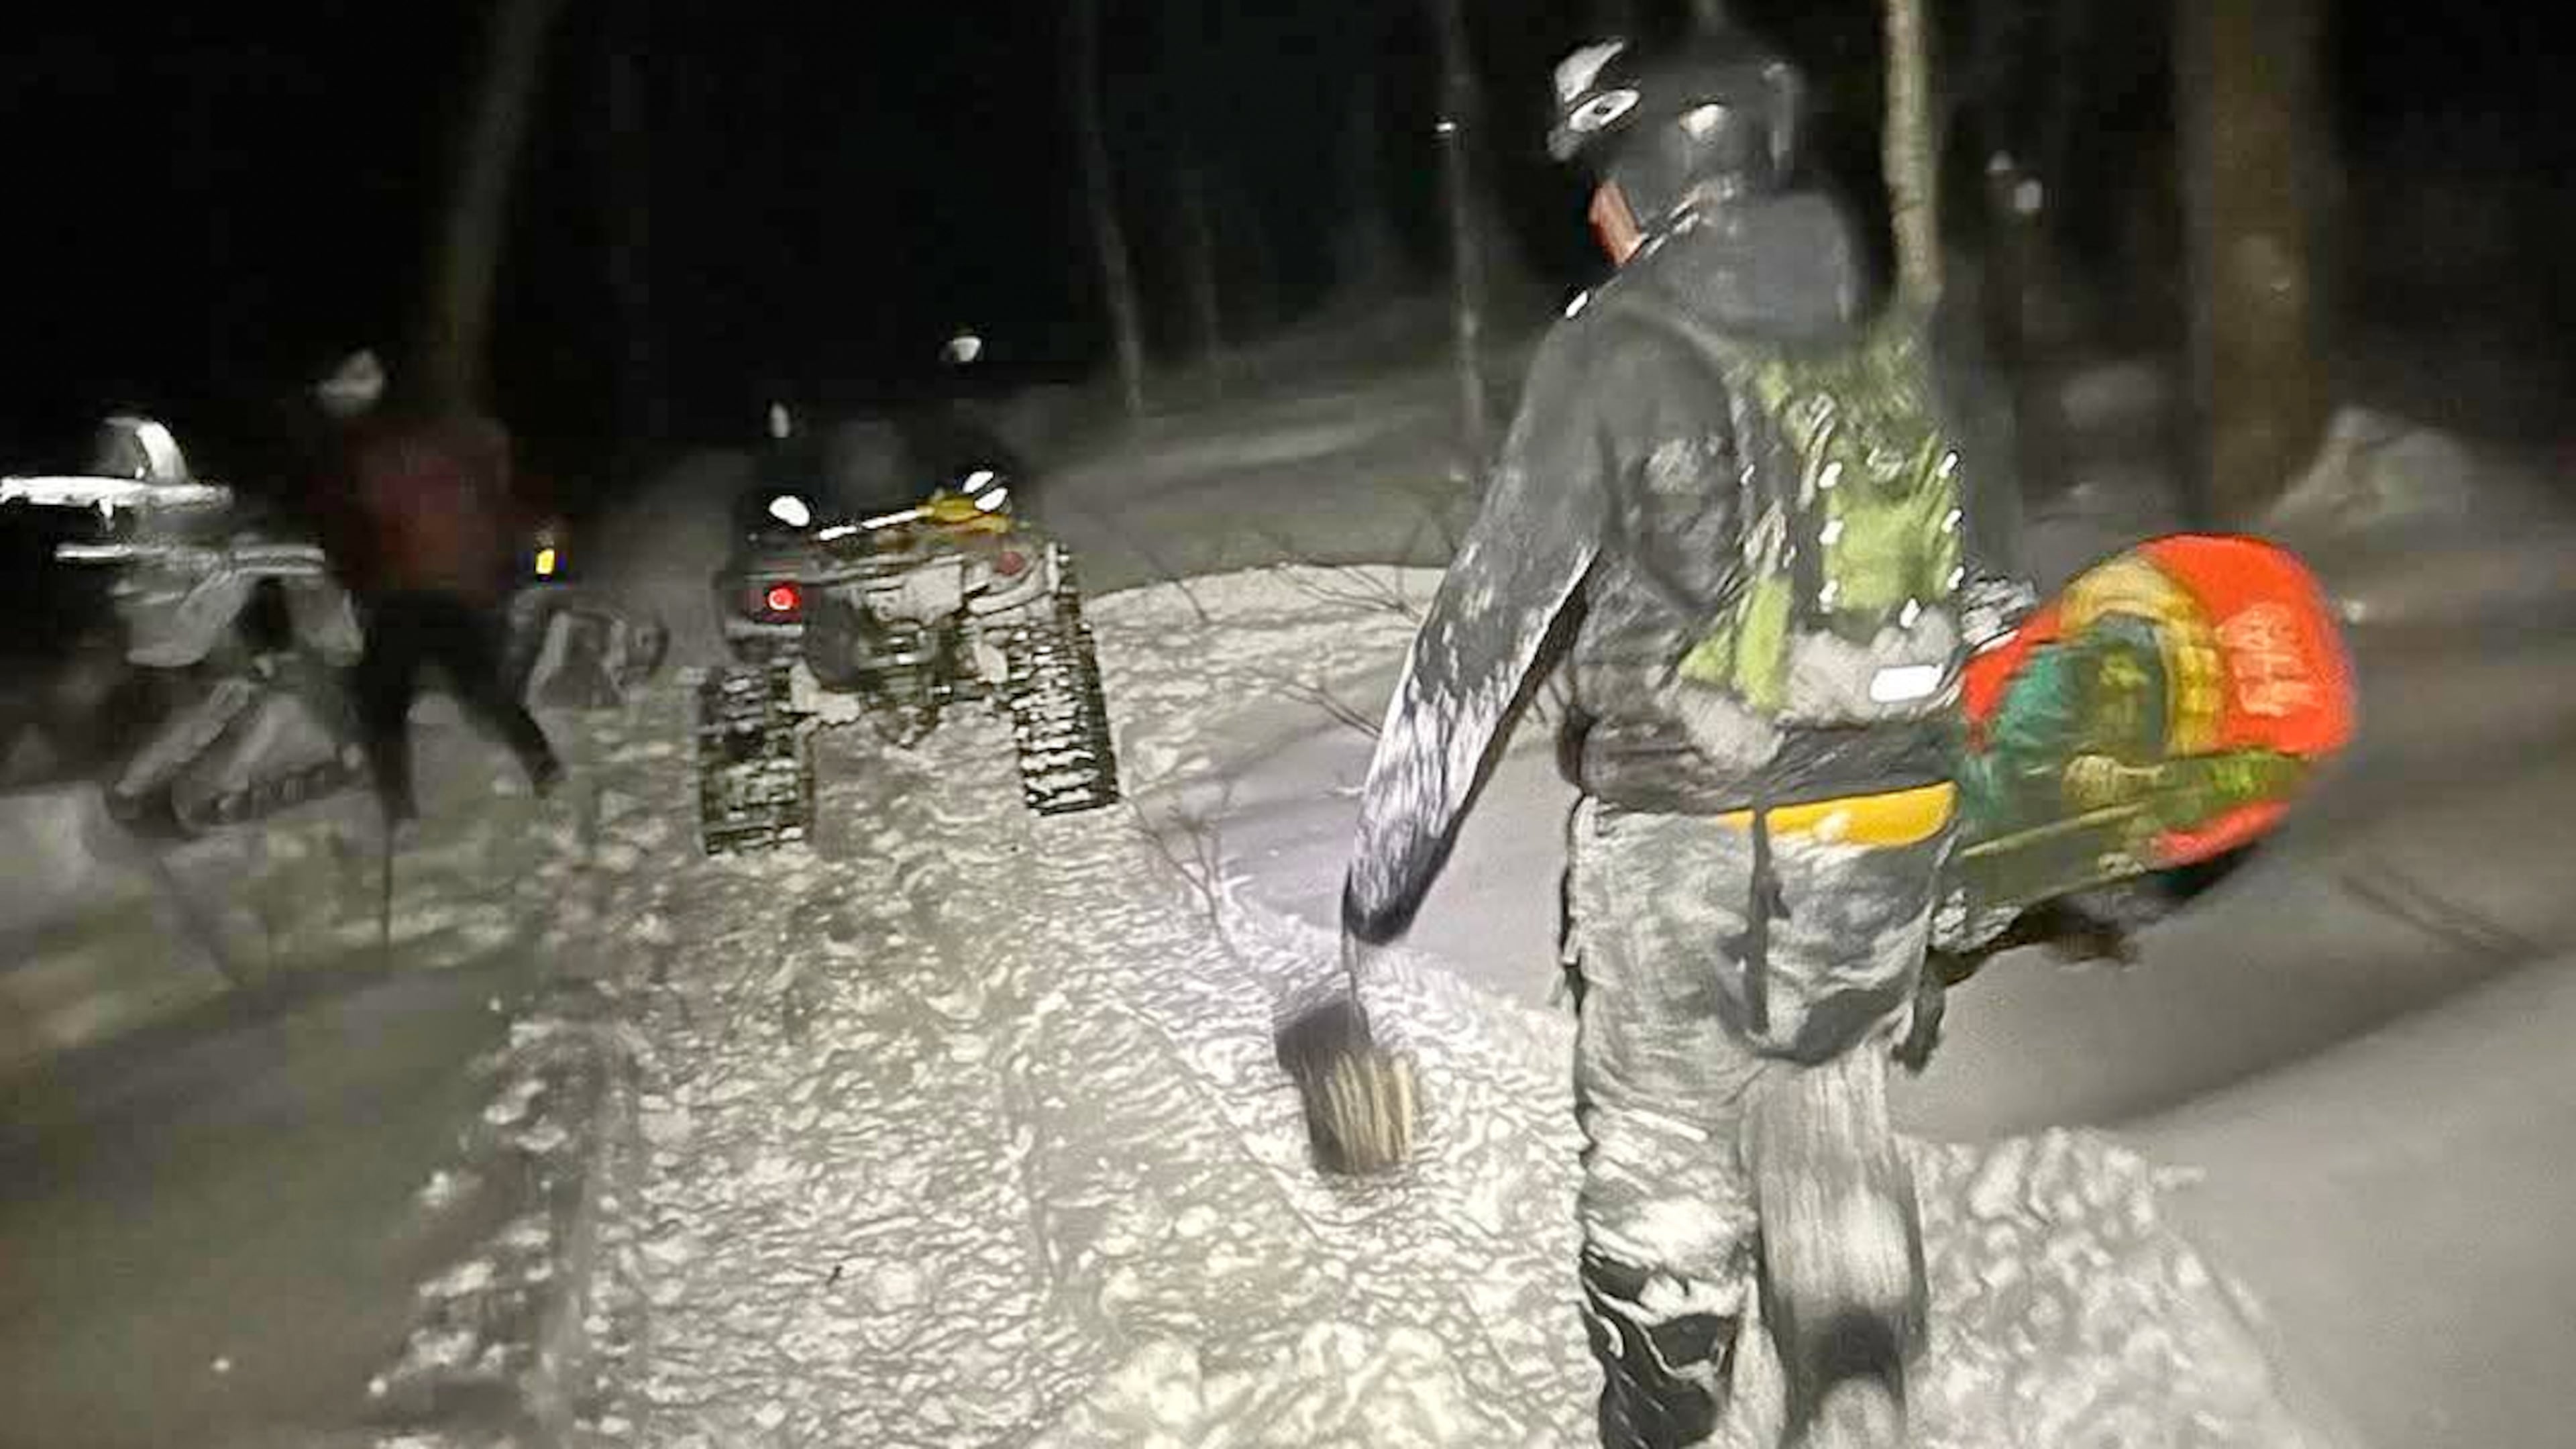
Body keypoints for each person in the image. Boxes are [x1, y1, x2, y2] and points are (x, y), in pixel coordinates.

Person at [1281, 25, 2026, 1449]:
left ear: (1668, 172)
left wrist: (1383, 879)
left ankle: (1666, 1418)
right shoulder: (1903, 329)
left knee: (1665, 1146)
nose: (1593, 209)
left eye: (1607, 175)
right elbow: (1994, 598)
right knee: (1832, 1096)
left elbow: (1488, 626)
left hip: (1694, 826)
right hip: (1893, 823)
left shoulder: (1619, 352)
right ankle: (1857, 1376)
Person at [311, 352, 561, 824]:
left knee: (383, 695)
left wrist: (356, 572)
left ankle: (398, 805)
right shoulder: (416, 442)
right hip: (449, 589)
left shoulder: (376, 450)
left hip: (415, 591)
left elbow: (367, 525)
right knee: (473, 683)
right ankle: (542, 766)